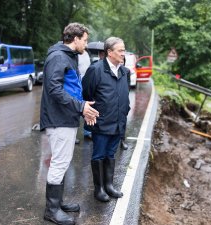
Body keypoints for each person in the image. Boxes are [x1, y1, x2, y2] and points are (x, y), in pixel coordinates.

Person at [40, 22, 99, 225]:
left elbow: (72, 89)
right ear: (75, 39)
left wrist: (83, 109)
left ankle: (59, 203)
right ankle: (51, 210)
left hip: (67, 117)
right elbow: (54, 90)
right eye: (85, 39)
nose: (86, 43)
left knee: (63, 162)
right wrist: (81, 107)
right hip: (58, 119)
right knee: (59, 162)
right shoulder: (58, 57)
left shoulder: (68, 57)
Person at [82, 37, 130, 202]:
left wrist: (124, 112)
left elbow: (125, 96)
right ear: (109, 52)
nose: (123, 53)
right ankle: (99, 189)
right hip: (101, 122)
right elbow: (87, 94)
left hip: (118, 122)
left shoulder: (125, 72)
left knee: (111, 154)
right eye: (120, 50)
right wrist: (95, 113)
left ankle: (109, 185)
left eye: (124, 50)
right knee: (99, 155)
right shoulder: (95, 70)